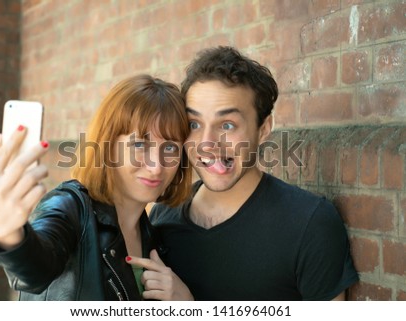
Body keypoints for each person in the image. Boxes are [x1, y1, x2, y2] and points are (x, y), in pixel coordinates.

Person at [130, 46, 359, 300]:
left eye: (227, 125)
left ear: (263, 129)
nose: (207, 142)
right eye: (194, 124)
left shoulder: (309, 223)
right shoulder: (163, 215)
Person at [0, 74, 193, 301]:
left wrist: (185, 306)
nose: (156, 166)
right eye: (139, 144)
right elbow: (35, 270)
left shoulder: (154, 236)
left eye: (171, 148)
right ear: (107, 145)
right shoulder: (70, 207)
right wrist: (7, 233)